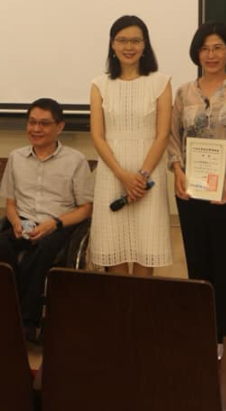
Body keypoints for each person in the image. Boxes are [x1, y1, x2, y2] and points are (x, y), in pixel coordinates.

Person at [168, 22, 226, 345]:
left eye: (218, 47)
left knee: (225, 266)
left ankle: (221, 336)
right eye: (205, 48)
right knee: (196, 262)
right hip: (190, 192)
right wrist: (177, 170)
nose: (211, 55)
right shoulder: (183, 93)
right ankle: (199, 331)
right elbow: (171, 138)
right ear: (197, 52)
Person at [0, 98, 94, 342]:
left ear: (60, 127)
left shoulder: (75, 160)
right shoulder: (16, 157)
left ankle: (26, 322)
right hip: (23, 222)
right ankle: (2, 314)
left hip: (58, 224)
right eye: (32, 122)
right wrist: (14, 221)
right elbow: (11, 204)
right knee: (0, 245)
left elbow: (85, 209)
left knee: (41, 252)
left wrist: (53, 224)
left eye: (44, 124)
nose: (36, 129)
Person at [89, 15, 172, 275]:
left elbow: (162, 134)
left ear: (145, 45)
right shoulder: (99, 84)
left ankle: (139, 315)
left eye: (135, 40)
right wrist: (123, 176)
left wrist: (141, 176)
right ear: (112, 45)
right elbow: (97, 136)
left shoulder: (161, 82)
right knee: (112, 252)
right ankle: (119, 314)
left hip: (149, 175)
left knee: (146, 253)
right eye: (122, 40)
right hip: (112, 174)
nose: (129, 46)